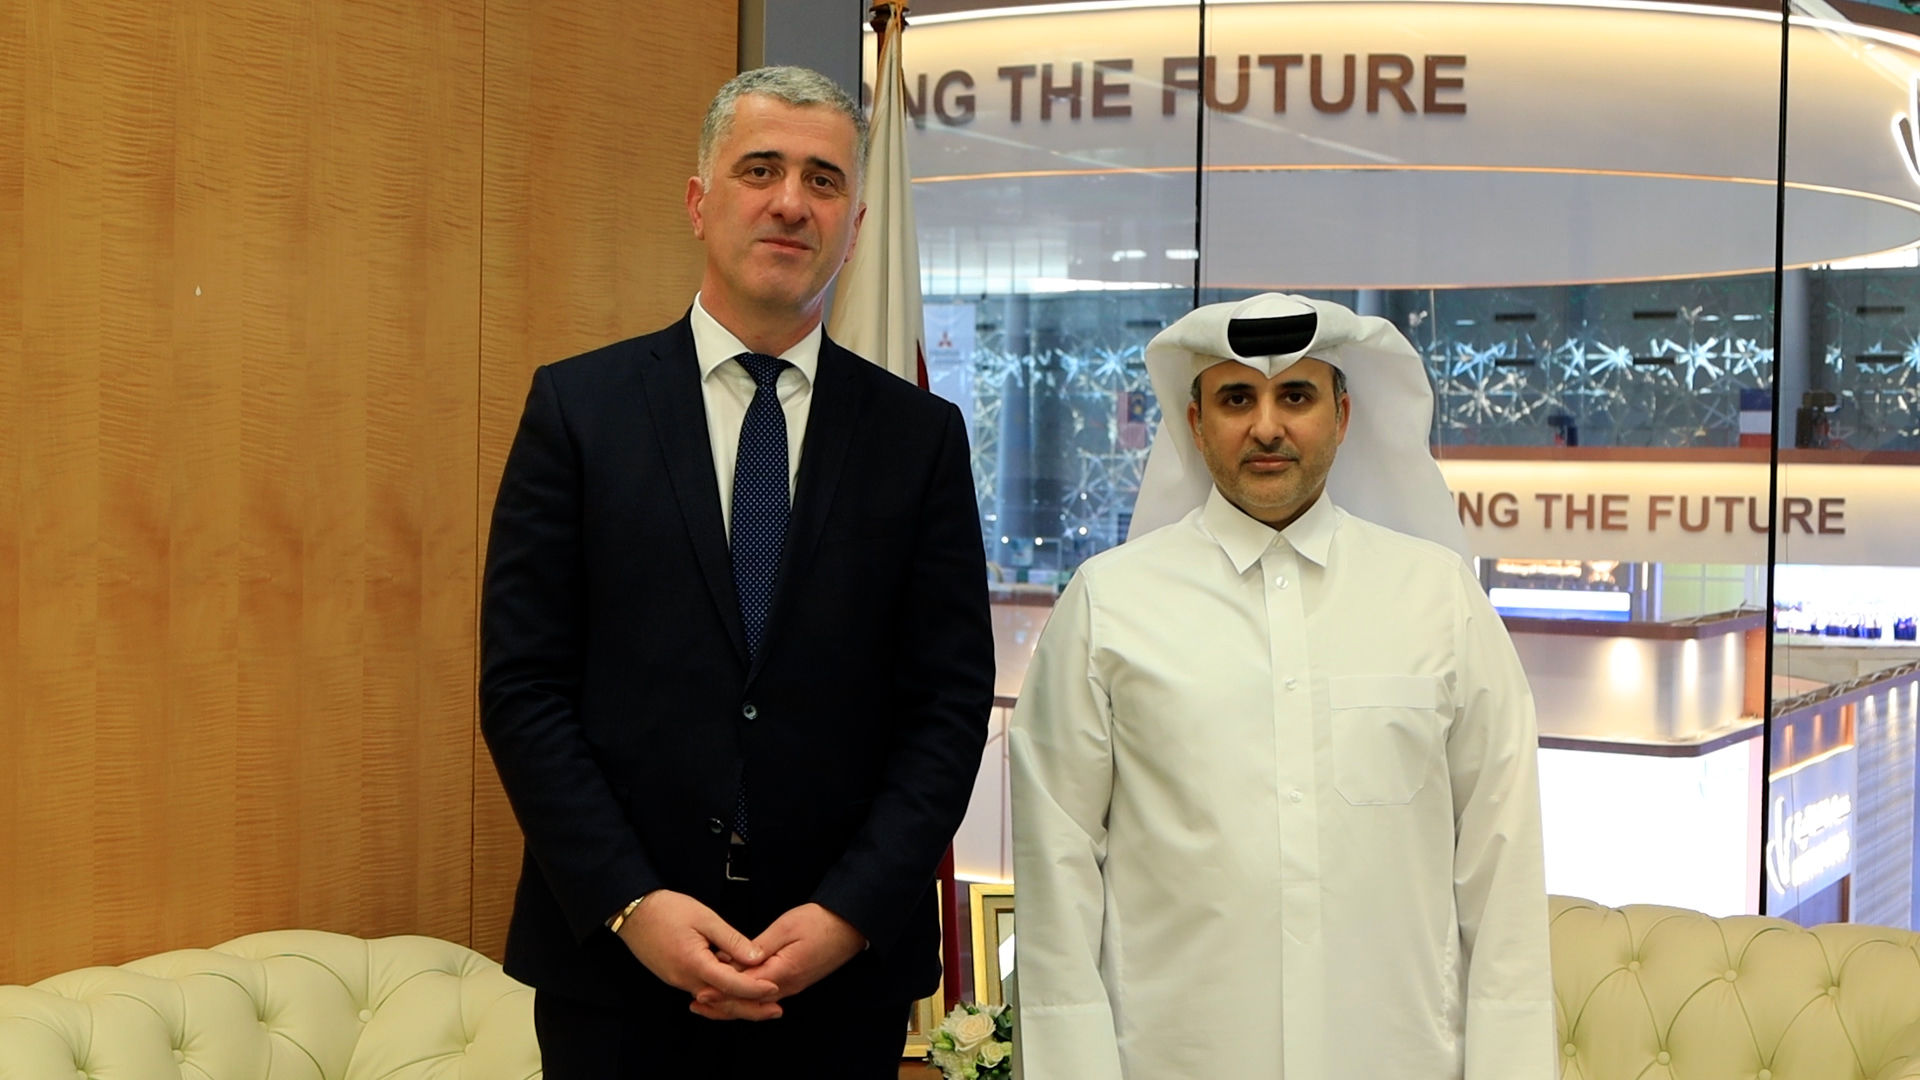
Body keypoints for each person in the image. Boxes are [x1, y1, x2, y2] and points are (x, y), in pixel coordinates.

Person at [480, 66, 994, 1079]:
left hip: (838, 984)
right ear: (698, 202)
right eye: (760, 169)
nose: (791, 202)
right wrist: (632, 902)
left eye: (824, 180)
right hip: (616, 974)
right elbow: (523, 688)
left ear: (854, 227)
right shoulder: (579, 412)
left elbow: (945, 707)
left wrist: (850, 911)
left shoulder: (920, 438)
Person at [1010, 293, 1555, 1080]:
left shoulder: (1440, 601)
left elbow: (1503, 872)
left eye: (1295, 395)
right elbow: (1056, 878)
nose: (1267, 427)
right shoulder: (1107, 606)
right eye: (1237, 398)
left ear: (1342, 415)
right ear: (1196, 424)